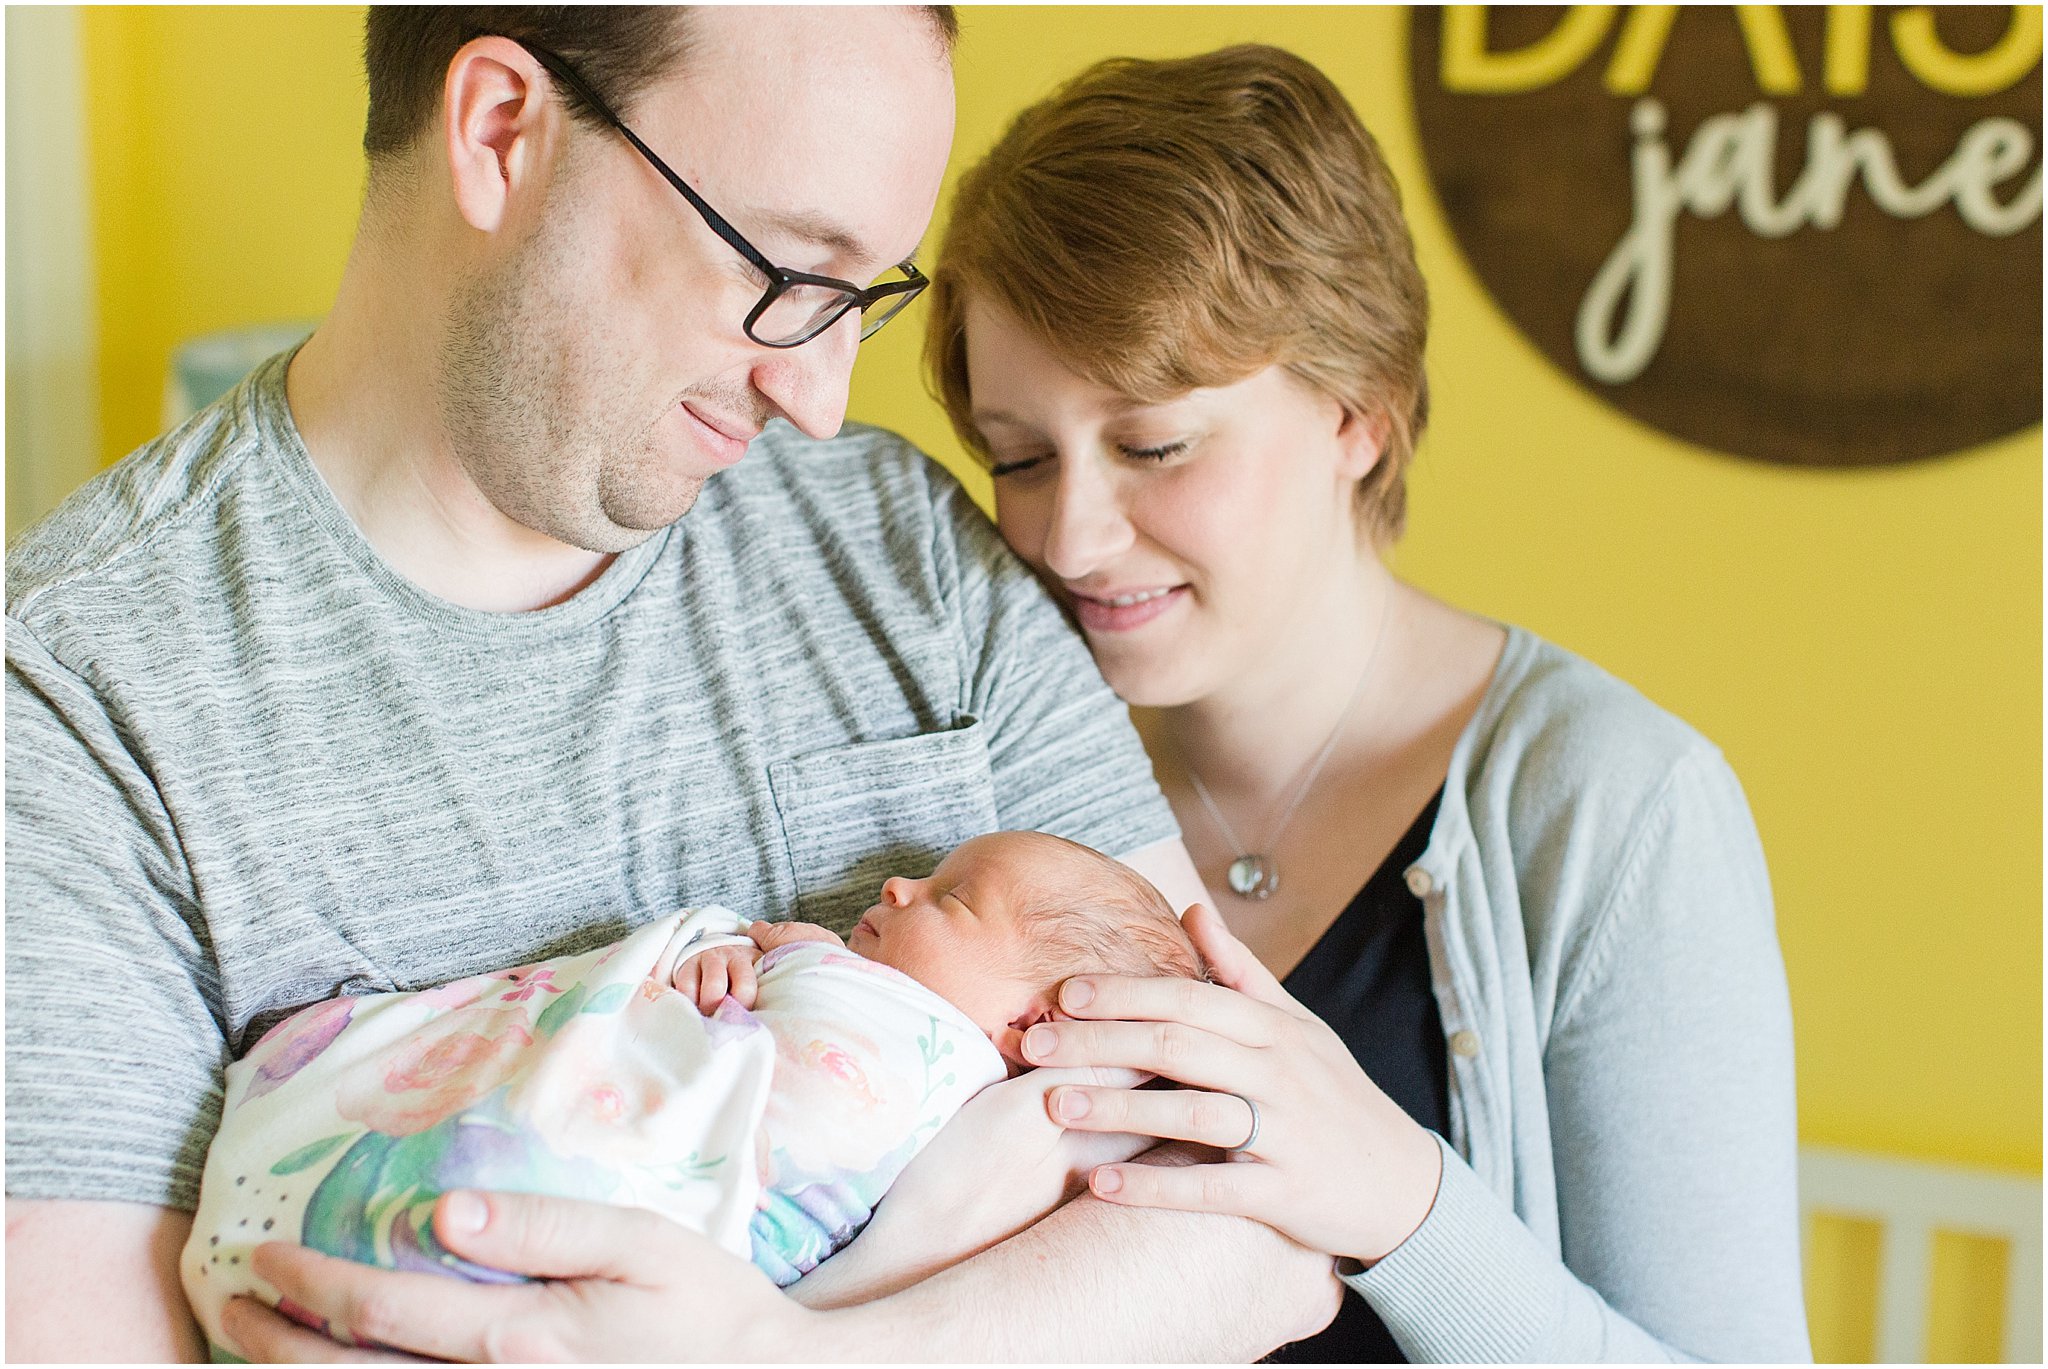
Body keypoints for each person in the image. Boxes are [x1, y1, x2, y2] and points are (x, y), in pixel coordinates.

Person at [6, 9, 1343, 1362]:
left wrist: (792, 1355)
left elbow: (1269, 1233)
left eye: (863, 295)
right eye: (786, 268)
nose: (821, 401)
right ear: (500, 132)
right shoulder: (81, 700)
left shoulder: (902, 555)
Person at [916, 45, 1813, 1362]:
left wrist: (1401, 1199)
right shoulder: (1010, 786)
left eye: (1154, 445)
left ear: (1359, 415)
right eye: (1018, 457)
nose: (1071, 534)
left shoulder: (1613, 810)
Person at [182, 831, 1204, 1355]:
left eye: (950, 898)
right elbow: (690, 1027)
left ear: (1032, 1028)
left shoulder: (975, 1096)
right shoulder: (817, 976)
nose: (895, 887)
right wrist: (717, 964)